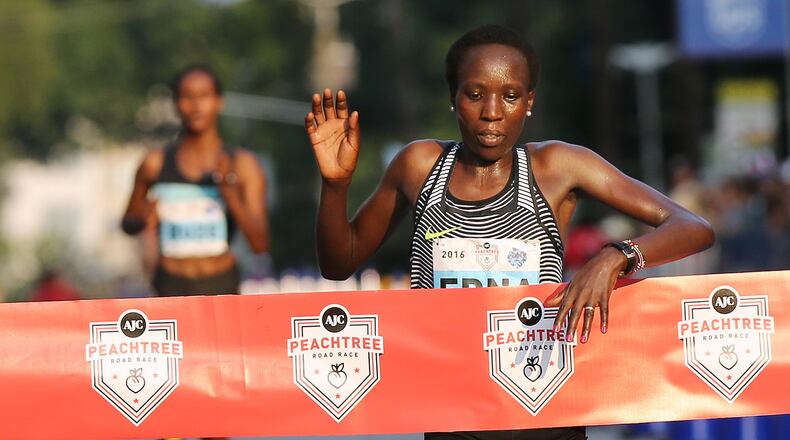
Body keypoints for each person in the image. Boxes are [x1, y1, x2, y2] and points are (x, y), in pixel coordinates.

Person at [306, 25, 714, 440]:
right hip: (452, 408)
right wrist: (336, 186)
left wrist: (615, 257)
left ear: (529, 102)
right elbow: (340, 263)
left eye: (511, 96)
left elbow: (692, 226)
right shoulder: (420, 166)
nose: (492, 113)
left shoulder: (557, 167)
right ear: (453, 98)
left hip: (544, 406)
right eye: (475, 94)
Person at [122, 65, 269, 298]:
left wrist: (230, 195)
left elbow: (260, 243)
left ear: (219, 101)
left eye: (204, 96)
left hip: (221, 283)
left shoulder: (242, 164)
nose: (196, 106)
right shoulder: (155, 163)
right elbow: (127, 222)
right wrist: (142, 218)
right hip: (170, 284)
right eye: (187, 97)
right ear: (176, 104)